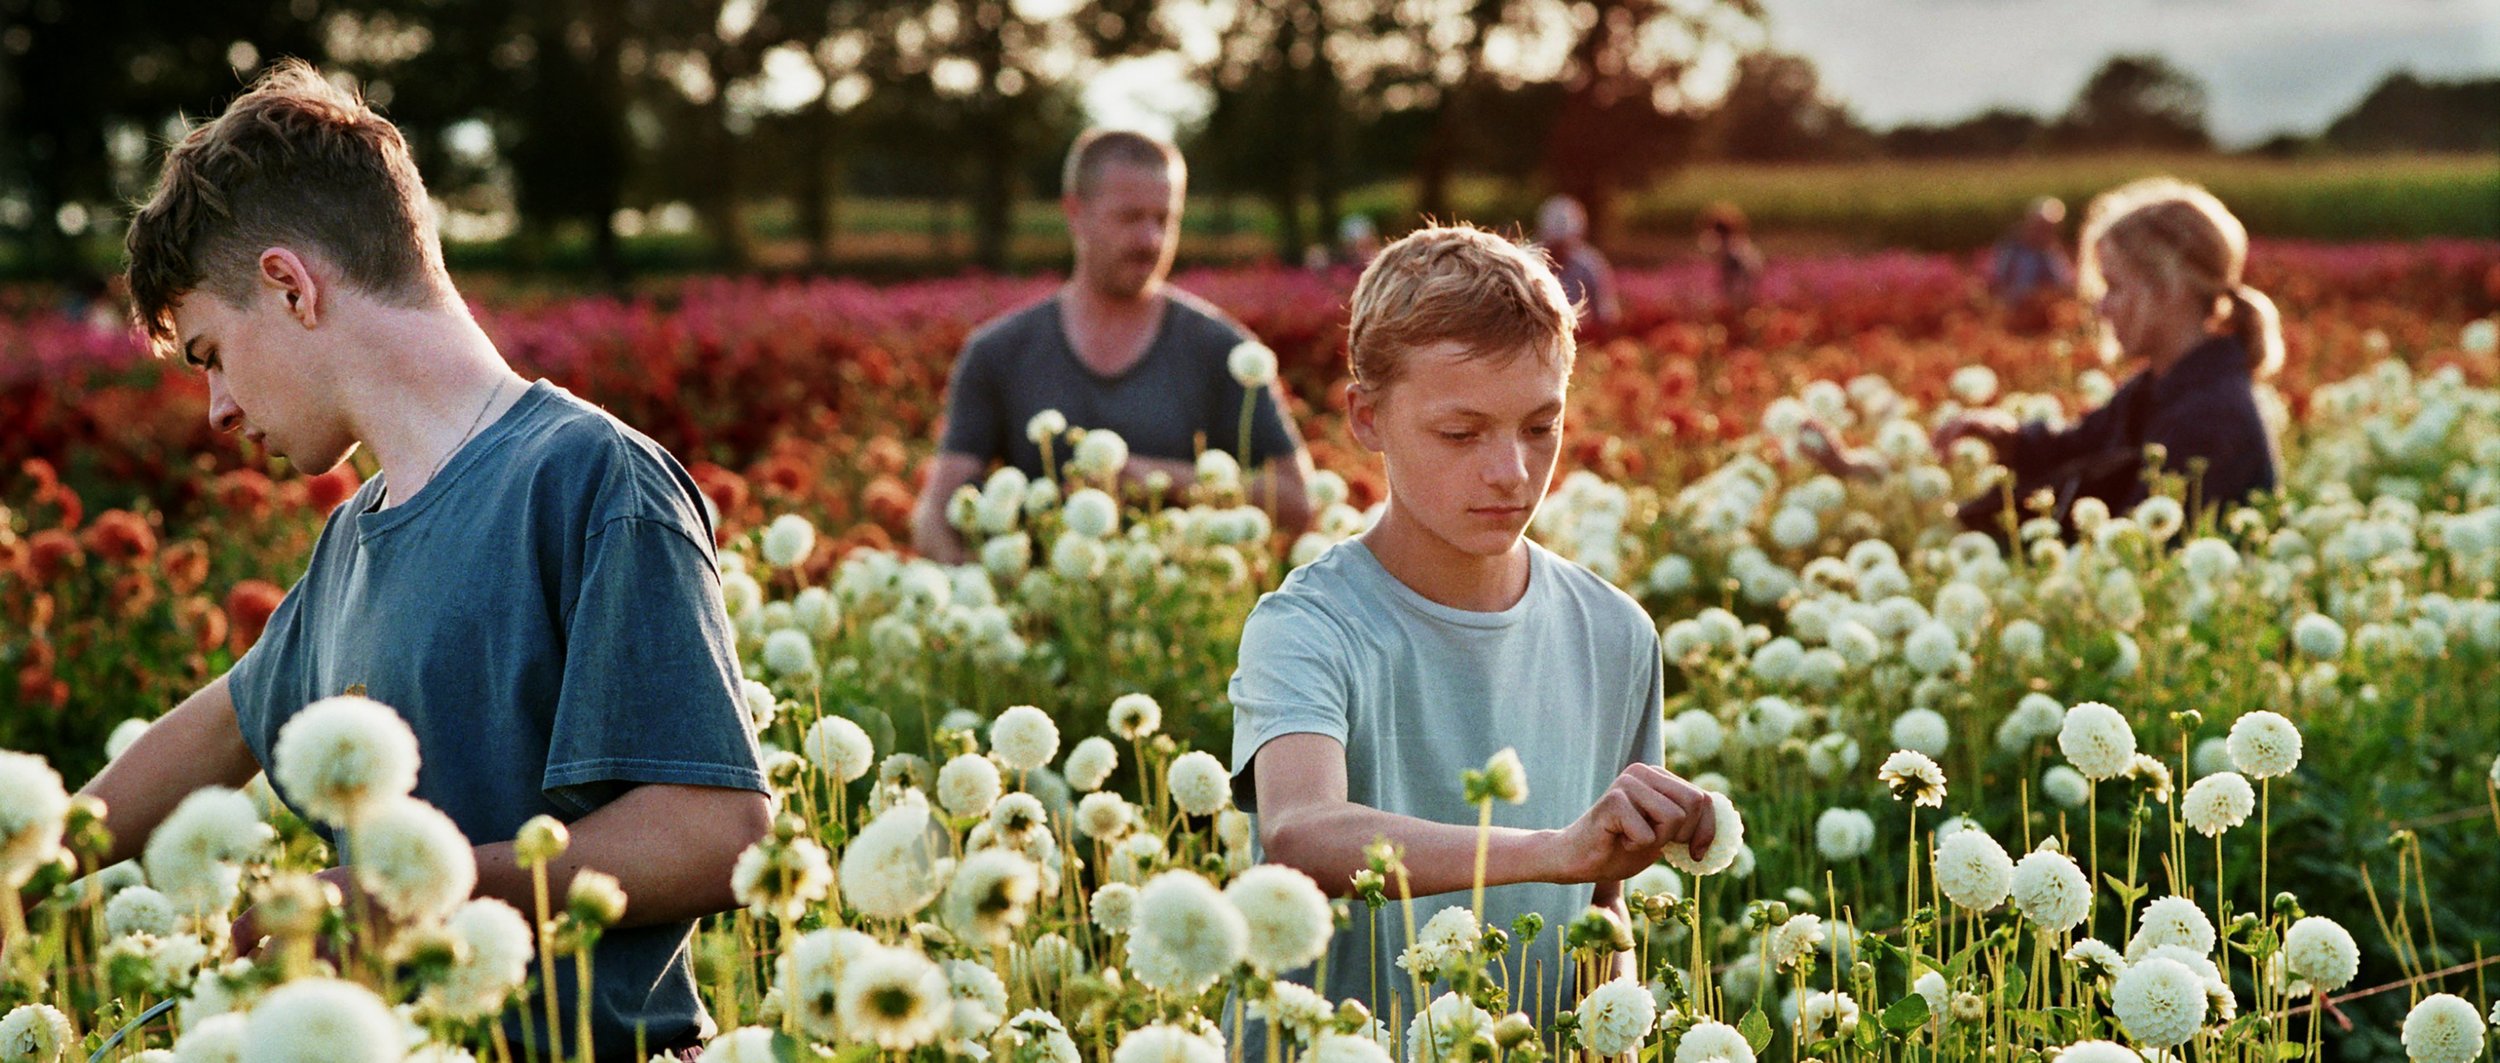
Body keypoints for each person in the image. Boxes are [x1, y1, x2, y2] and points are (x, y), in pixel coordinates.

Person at [92, 61, 768, 1060]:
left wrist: (402, 892)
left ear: (288, 285)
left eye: (209, 354)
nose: (219, 408)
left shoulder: (589, 479)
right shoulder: (351, 544)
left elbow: (717, 833)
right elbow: (214, 732)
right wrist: (22, 861)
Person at [1227, 226, 1717, 1044]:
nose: (1511, 473)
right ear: (1367, 417)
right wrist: (1553, 847)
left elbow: (1602, 909)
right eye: (1461, 433)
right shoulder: (1306, 624)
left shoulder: (1616, 632)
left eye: (1539, 427)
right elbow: (1301, 831)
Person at [911, 129, 1314, 563]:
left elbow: (1297, 500)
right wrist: (984, 593)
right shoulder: (998, 352)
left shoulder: (1223, 350)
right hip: (1044, 614)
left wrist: (1157, 478)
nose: (1151, 241)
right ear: (1075, 213)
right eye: (1129, 218)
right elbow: (936, 515)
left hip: (1181, 613)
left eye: (1165, 219)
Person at [1809, 177, 2281, 534]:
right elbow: (2075, 450)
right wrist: (2002, 437)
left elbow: (2137, 555)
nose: (2101, 306)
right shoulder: (2163, 389)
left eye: (2114, 287)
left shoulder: (2211, 418)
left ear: (2169, 288)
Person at [1989, 197, 2076, 331]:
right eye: (2041, 226)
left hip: (2043, 319)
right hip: (2012, 314)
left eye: (2050, 228)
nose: (2045, 232)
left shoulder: (2051, 252)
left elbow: (2063, 284)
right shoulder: (2011, 249)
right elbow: (1998, 282)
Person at [1535, 195, 1621, 329]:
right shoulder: (1532, 264)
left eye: (1564, 245)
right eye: (1554, 246)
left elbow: (1607, 316)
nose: (1559, 252)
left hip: (1581, 336)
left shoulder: (1591, 265)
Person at [1697, 201, 1763, 315]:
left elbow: (1746, 271)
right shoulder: (1741, 243)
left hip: (1739, 288)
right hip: (1743, 288)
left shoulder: (1734, 247)